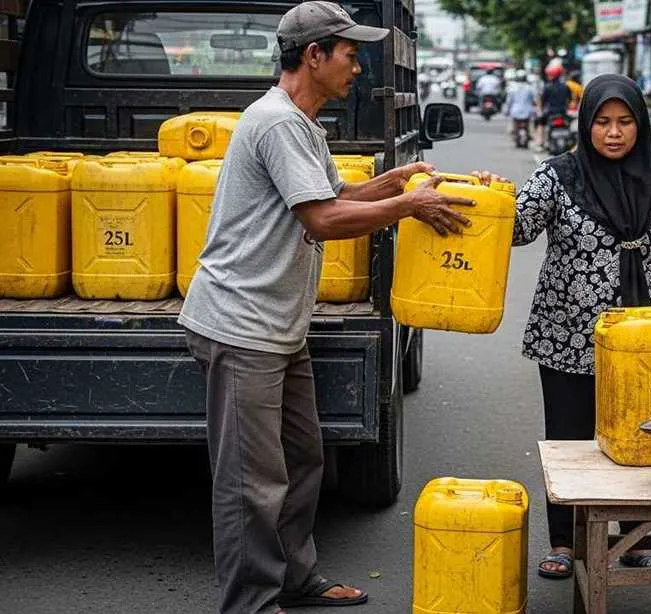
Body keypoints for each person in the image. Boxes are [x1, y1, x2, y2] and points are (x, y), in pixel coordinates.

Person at [178, 3, 479, 613]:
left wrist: (396, 183)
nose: (359, 67)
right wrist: (408, 207)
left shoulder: (304, 124)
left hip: (277, 326)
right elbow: (321, 219)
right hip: (242, 326)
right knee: (250, 483)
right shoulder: (277, 123)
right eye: (350, 53)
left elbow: (335, 194)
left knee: (303, 457)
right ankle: (251, 603)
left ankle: (294, 577)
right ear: (313, 55)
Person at [494, 74, 651, 579]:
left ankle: (633, 539)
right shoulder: (558, 176)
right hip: (566, 335)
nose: (613, 132)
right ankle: (564, 542)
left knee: (640, 438)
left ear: (640, 124)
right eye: (603, 122)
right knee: (569, 441)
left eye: (624, 121)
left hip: (643, 339)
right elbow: (516, 229)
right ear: (586, 125)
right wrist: (487, 197)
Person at [535, 63, 572, 150]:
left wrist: (540, 110)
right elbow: (569, 100)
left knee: (540, 123)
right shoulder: (565, 86)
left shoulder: (547, 87)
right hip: (563, 112)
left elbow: (543, 101)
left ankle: (540, 143)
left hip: (550, 113)